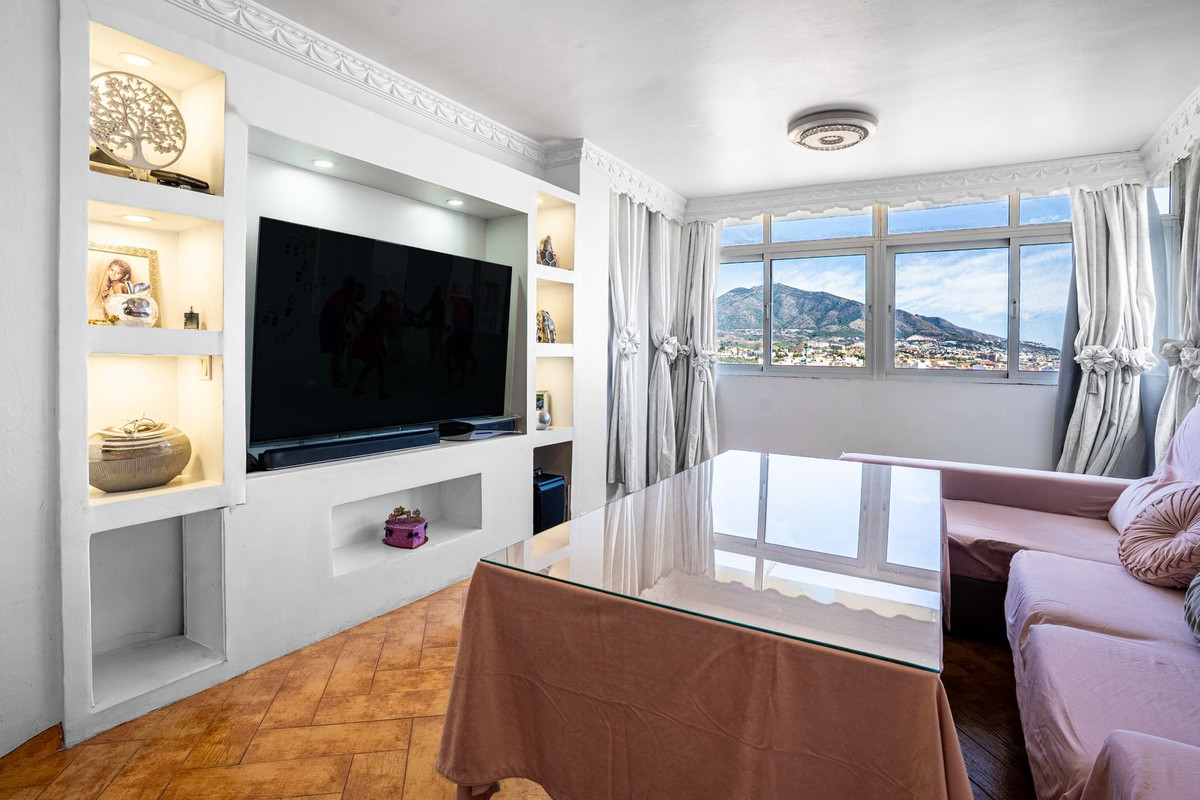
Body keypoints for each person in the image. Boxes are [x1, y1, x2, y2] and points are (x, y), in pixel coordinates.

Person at [318, 276, 364, 387]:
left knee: (341, 347)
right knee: (337, 349)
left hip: (331, 321)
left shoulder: (347, 295)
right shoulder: (342, 295)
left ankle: (335, 370)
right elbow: (339, 316)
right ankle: (335, 379)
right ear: (351, 285)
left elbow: (353, 309)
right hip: (329, 322)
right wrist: (344, 331)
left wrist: (362, 317)